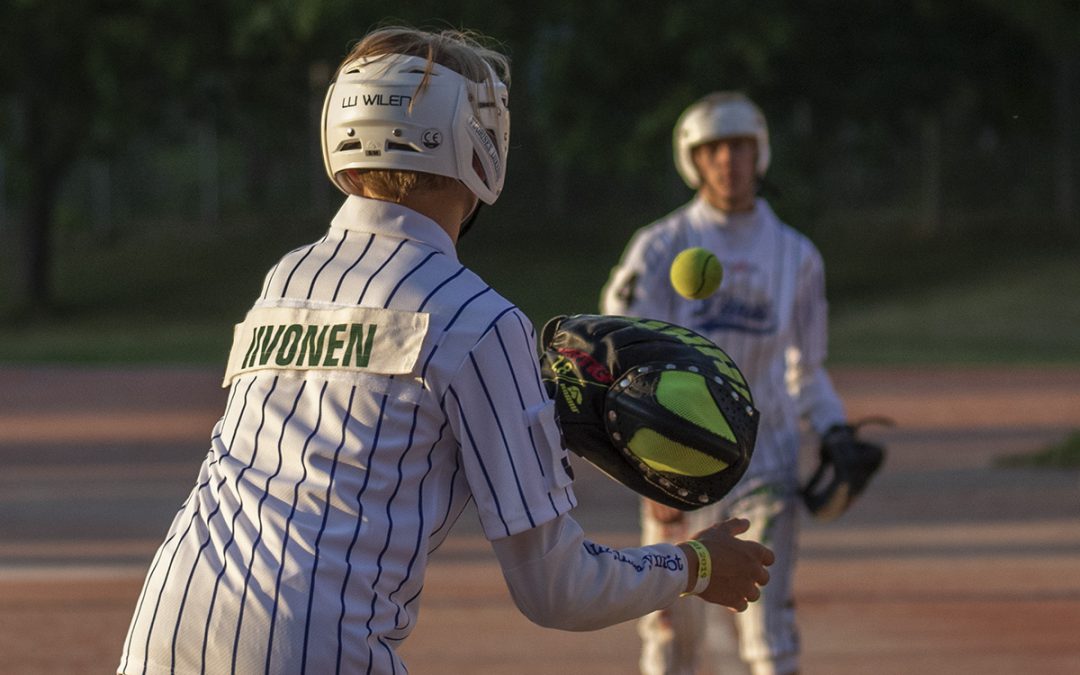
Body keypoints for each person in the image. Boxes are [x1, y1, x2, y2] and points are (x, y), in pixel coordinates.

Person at [117, 29, 774, 675]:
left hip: (163, 625)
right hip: (314, 644)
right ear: (474, 143)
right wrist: (697, 564)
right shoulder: (478, 318)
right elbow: (557, 587)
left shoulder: (288, 276)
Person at [601, 92, 850, 675]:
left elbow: (806, 368)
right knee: (671, 626)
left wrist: (835, 429)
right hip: (673, 464)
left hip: (767, 456)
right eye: (713, 149)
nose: (728, 162)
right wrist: (644, 476)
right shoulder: (659, 247)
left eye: (740, 147)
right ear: (692, 160)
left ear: (759, 154)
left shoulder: (796, 255)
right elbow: (622, 365)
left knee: (766, 623)